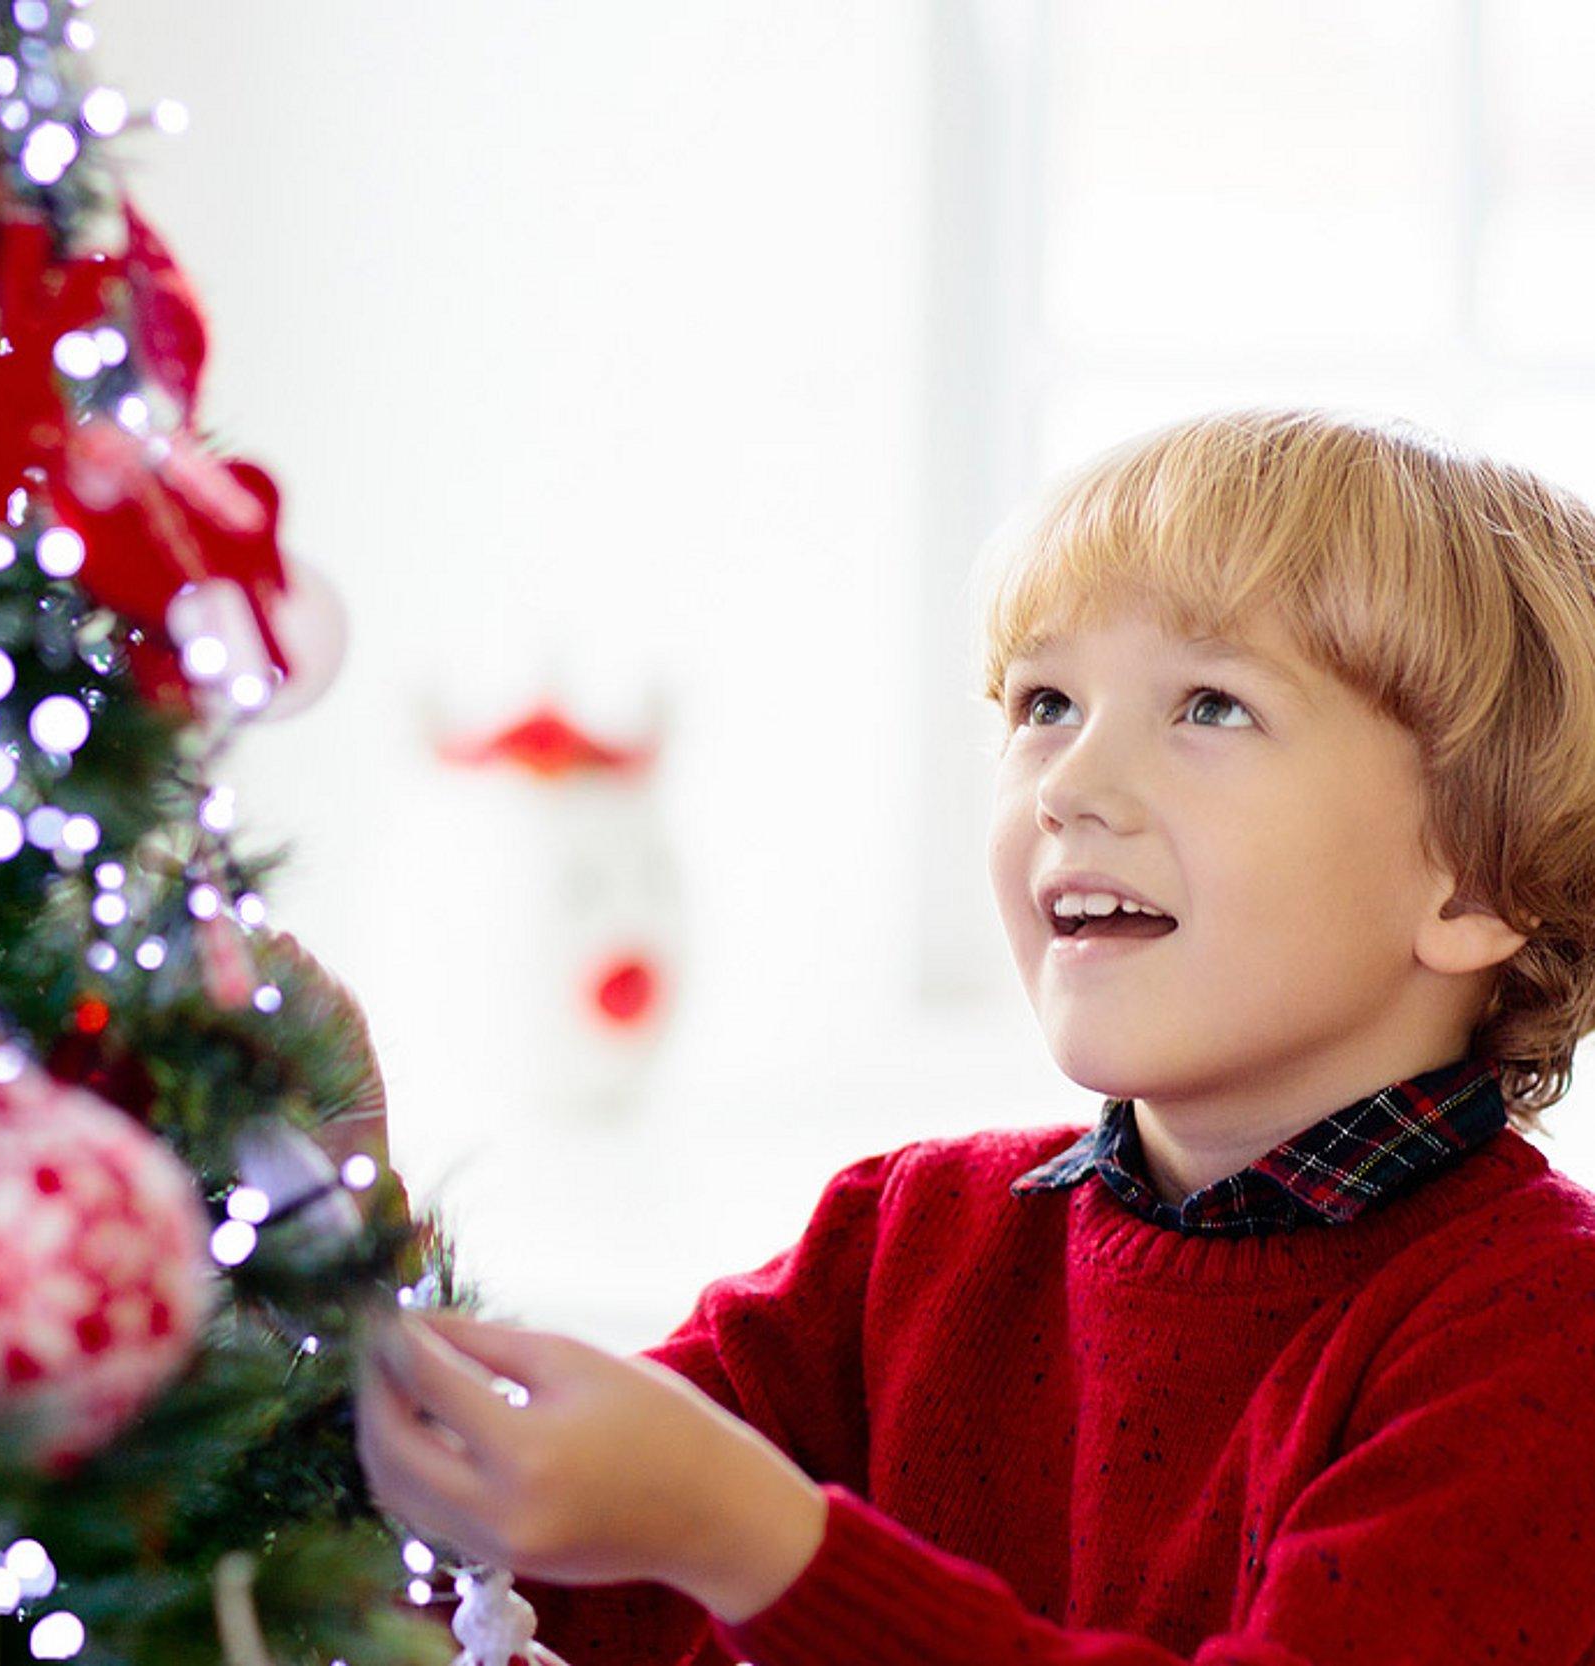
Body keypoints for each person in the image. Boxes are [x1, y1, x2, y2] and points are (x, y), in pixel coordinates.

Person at [355, 407, 1595, 1665]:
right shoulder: (902, 1242)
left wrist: (754, 1543)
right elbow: (460, 1577)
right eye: (1045, 701)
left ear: (1475, 884)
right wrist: (319, 1236)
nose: (1067, 782)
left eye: (1210, 707)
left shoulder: (1544, 1336)